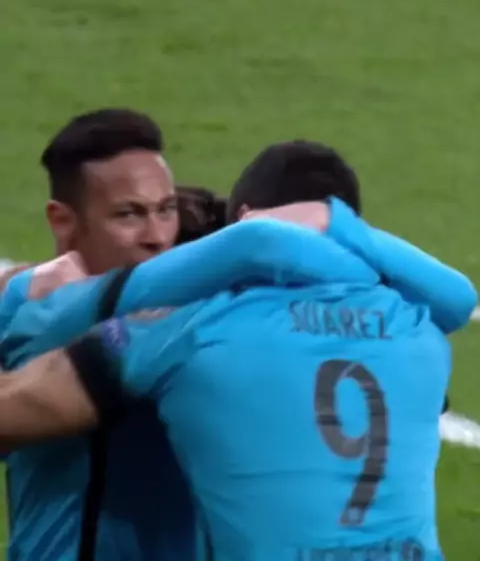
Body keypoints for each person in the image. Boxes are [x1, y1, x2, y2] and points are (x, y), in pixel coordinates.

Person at [0, 142, 476, 560]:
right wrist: (337, 224)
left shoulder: (191, 332)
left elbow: (19, 407)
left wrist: (21, 296)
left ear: (240, 226)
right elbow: (457, 297)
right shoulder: (421, 337)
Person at [0, 107, 223, 561]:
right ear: (63, 222)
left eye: (166, 210)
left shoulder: (191, 318)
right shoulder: (41, 323)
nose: (157, 237)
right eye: (129, 215)